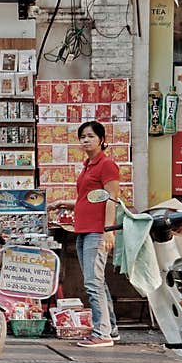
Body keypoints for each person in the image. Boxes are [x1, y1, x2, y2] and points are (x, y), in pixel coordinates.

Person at [47, 120, 121, 348]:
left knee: (92, 282)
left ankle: (102, 333)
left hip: (97, 230)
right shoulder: (88, 165)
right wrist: (64, 203)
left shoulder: (107, 165)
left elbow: (111, 199)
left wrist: (108, 230)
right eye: (82, 137)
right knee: (98, 282)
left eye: (90, 136)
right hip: (83, 229)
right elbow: (88, 198)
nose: (86, 140)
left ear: (101, 139)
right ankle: (111, 329)